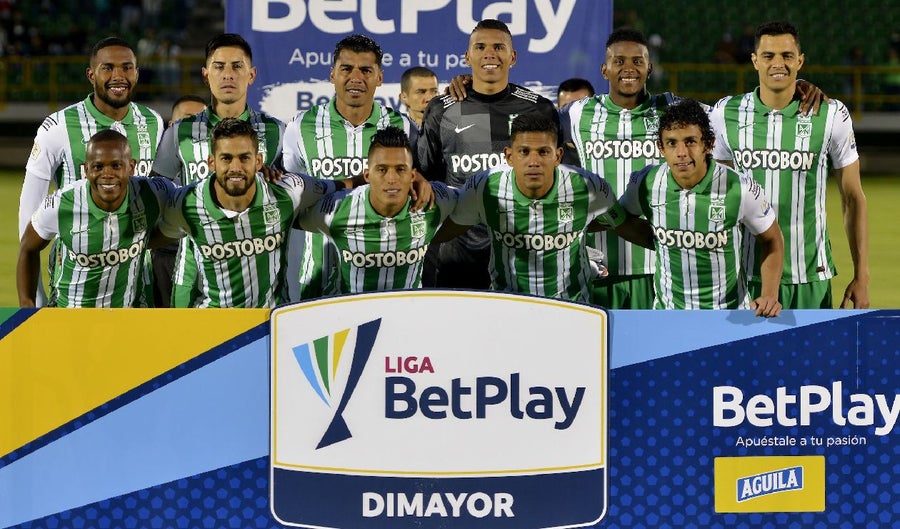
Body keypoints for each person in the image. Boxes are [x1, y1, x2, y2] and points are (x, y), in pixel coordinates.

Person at [561, 27, 824, 309]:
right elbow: (538, 128)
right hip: (600, 264)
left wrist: (790, 85)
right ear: (604, 69)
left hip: (661, 269)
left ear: (650, 68)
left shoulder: (673, 109)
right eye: (619, 61)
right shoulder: (577, 113)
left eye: (638, 61)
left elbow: (736, 114)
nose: (629, 69)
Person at [710, 21, 868, 309]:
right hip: (745, 276)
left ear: (800, 61)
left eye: (787, 55)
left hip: (810, 275)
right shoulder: (724, 114)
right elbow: (717, 194)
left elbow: (853, 198)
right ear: (755, 61)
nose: (778, 63)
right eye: (768, 56)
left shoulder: (831, 114)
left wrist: (862, 275)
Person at [435, 114, 653, 303]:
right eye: (524, 151)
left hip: (573, 307)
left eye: (543, 152)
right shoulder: (484, 187)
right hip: (508, 306)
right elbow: (448, 229)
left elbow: (624, 225)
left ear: (557, 156)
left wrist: (672, 241)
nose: (534, 161)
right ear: (509, 156)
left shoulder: (588, 186)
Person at [18, 36, 164, 305]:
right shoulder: (58, 126)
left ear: (137, 73)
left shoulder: (153, 122)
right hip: (76, 277)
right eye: (107, 68)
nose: (118, 76)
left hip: (135, 278)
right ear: (91, 75)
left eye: (126, 67)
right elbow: (29, 216)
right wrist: (34, 302)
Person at [419, 19, 561, 289]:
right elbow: (427, 179)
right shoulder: (441, 110)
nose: (489, 54)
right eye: (480, 47)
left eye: (498, 47)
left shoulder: (539, 109)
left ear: (513, 57)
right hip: (455, 255)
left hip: (521, 252)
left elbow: (555, 180)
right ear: (467, 56)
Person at [152, 33, 285, 307]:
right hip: (194, 272)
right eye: (219, 66)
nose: (228, 75)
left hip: (260, 272)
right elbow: (157, 192)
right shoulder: (180, 132)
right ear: (206, 74)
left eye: (237, 66)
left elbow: (292, 191)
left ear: (251, 74)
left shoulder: (276, 131)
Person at [282, 34, 420, 300]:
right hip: (317, 279)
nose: (356, 78)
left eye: (366, 70)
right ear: (332, 74)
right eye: (347, 69)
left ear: (379, 78)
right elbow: (291, 196)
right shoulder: (301, 126)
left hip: (386, 278)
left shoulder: (403, 127)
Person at [155, 118, 346, 308]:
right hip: (213, 318)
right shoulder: (186, 202)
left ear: (258, 161)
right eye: (226, 158)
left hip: (269, 319)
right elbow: (151, 239)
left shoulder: (288, 191)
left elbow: (341, 187)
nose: (236, 168)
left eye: (244, 158)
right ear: (212, 162)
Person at [621, 99, 784, 316]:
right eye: (671, 143)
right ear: (661, 148)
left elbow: (772, 240)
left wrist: (770, 294)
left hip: (728, 316)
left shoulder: (740, 188)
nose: (681, 152)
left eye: (690, 141)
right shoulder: (646, 182)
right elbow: (621, 219)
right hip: (667, 315)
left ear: (708, 144)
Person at [18, 130, 174, 308]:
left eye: (116, 166)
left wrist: (151, 239)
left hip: (128, 315)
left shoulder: (153, 193)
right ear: (86, 170)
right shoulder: (61, 204)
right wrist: (26, 303)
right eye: (98, 167)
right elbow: (28, 247)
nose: (107, 174)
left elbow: (186, 207)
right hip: (71, 314)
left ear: (131, 167)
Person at [297, 127, 457, 293]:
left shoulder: (433, 200)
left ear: (412, 175)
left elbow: (468, 207)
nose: (391, 179)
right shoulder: (337, 209)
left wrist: (431, 236)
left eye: (400, 169)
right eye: (382, 170)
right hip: (350, 308)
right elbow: (293, 216)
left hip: (409, 307)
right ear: (367, 176)